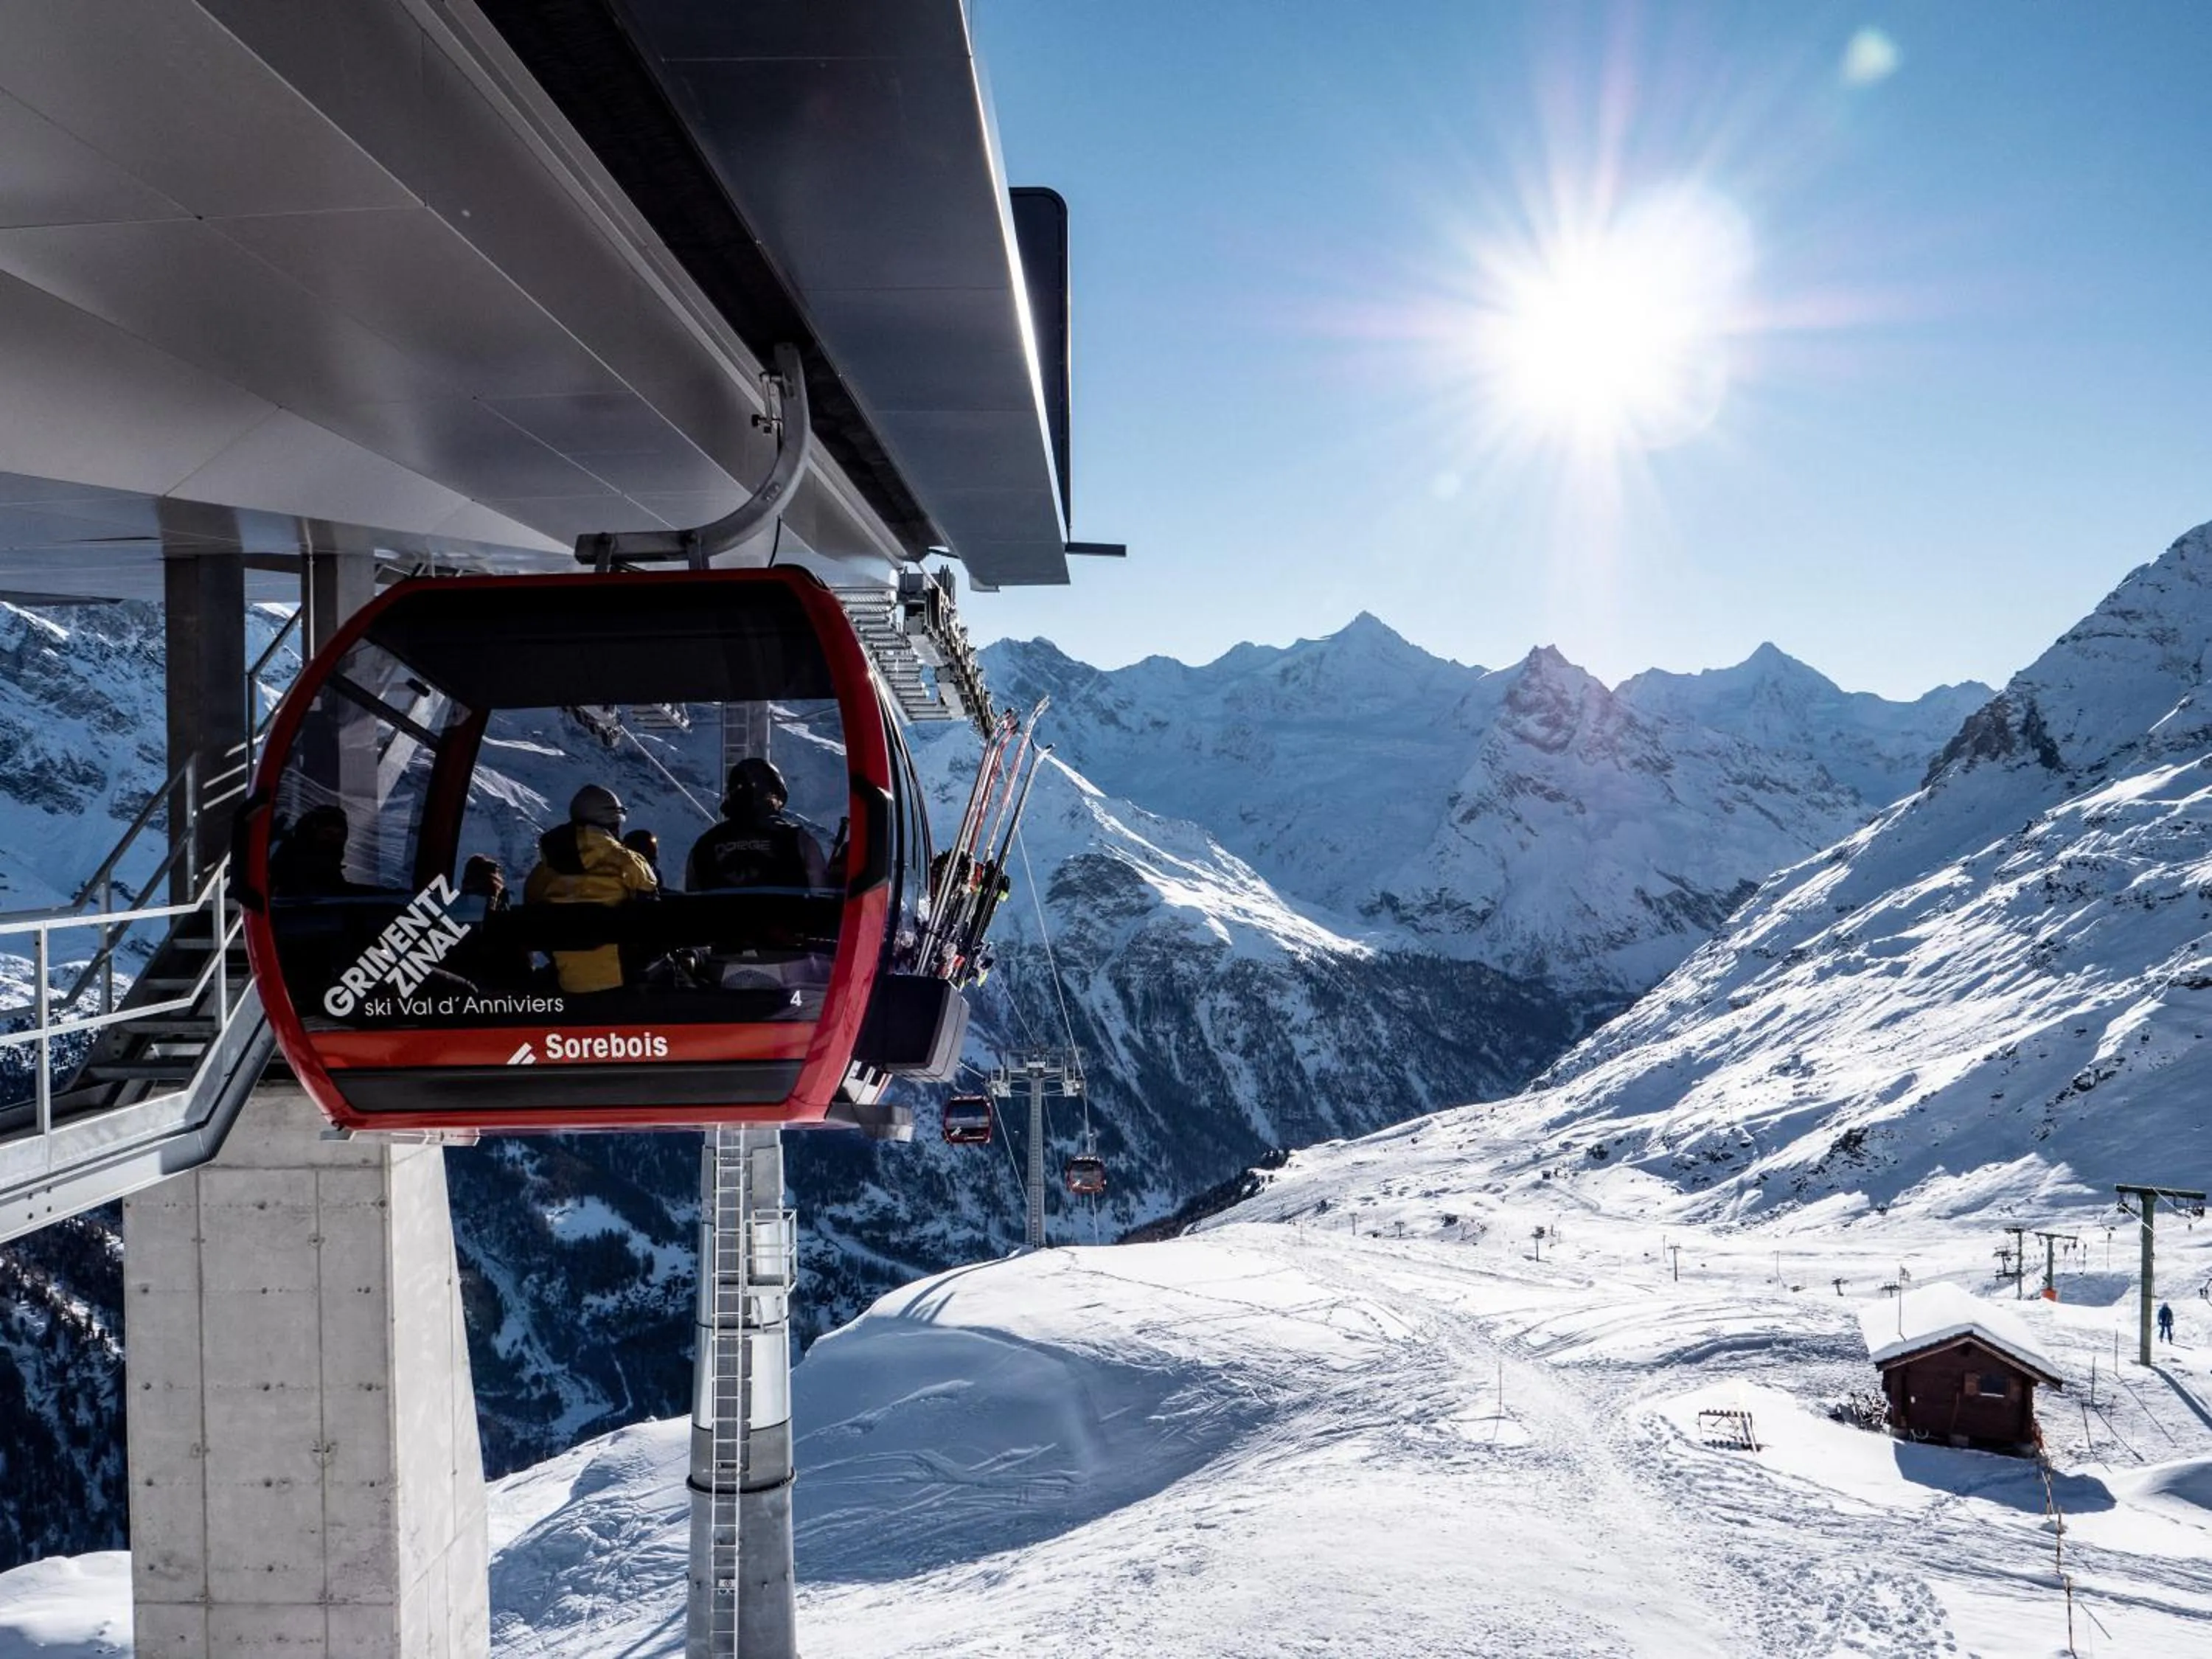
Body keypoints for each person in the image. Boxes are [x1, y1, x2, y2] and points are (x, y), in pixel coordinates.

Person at [524, 785, 658, 994]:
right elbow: (652, 912)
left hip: (566, 980)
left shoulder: (545, 869)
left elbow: (533, 909)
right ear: (612, 823)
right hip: (623, 981)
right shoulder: (628, 861)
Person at [685, 759, 828, 894]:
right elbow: (821, 893)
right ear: (776, 796)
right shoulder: (798, 840)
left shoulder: (705, 844)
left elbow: (692, 895)